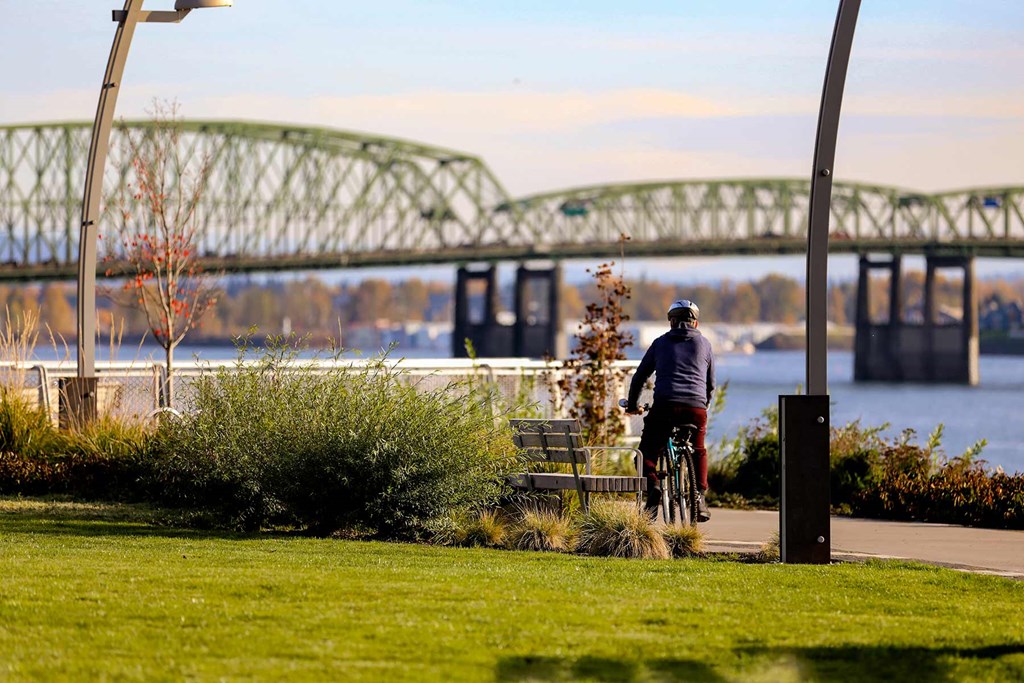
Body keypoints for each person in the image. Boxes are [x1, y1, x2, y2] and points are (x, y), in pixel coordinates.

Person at [624, 299, 715, 522]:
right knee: (698, 449)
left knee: (646, 454)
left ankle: (654, 485)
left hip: (665, 406)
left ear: (671, 322)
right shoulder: (705, 344)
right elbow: (710, 384)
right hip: (696, 408)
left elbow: (640, 377)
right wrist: (703, 404)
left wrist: (633, 405)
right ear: (695, 323)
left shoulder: (660, 343)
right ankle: (699, 498)